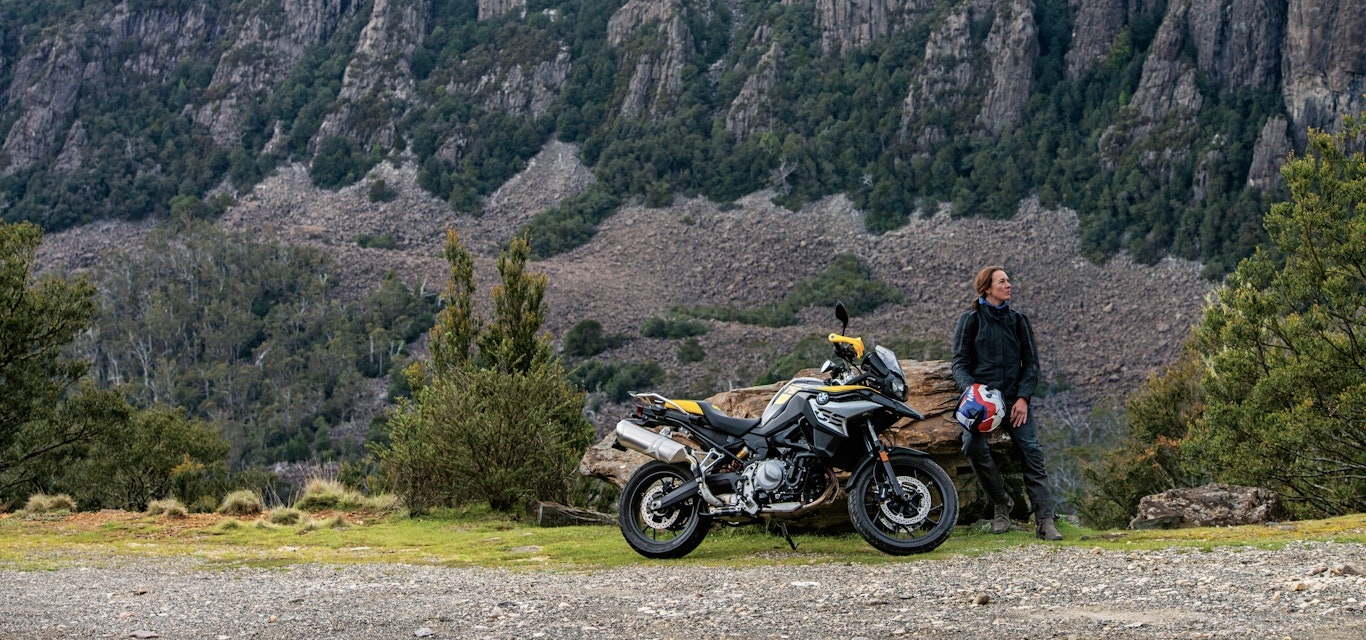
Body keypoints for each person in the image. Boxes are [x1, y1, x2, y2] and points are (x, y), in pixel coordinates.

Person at [951, 266, 1063, 540]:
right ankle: (1002, 504)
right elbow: (959, 363)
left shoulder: (1018, 320)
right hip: (982, 403)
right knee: (972, 445)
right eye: (1002, 282)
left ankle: (1045, 521)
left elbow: (1032, 364)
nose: (1009, 285)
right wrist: (972, 392)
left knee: (1032, 451)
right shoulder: (971, 320)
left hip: (1015, 401)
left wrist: (1024, 398)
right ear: (987, 288)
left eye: (1009, 281)